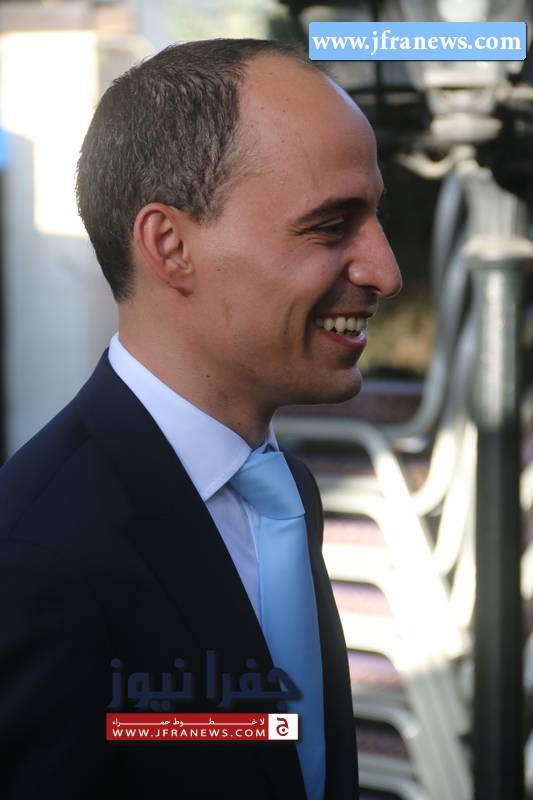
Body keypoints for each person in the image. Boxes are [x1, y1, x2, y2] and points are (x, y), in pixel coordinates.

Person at [0, 38, 401, 800]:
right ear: (170, 245)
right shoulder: (35, 555)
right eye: (330, 226)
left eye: (374, 218)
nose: (384, 271)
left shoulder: (281, 490)